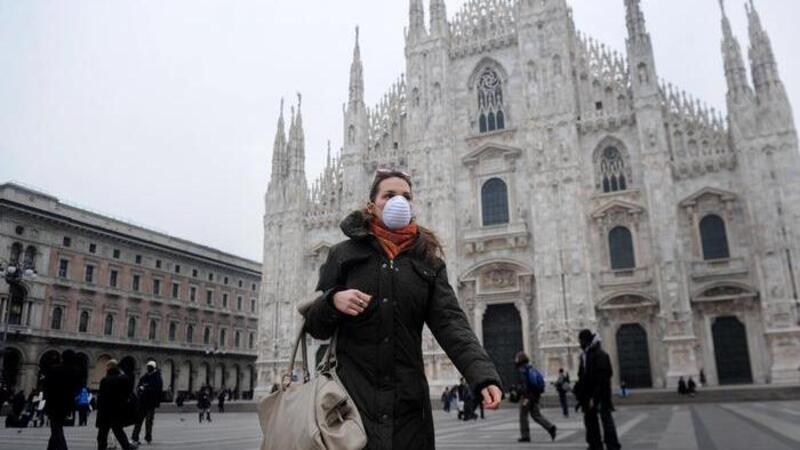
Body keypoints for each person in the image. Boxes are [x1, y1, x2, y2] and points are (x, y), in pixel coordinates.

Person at [301, 169, 504, 449]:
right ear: (371, 205)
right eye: (389, 195)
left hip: (409, 406)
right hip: (351, 404)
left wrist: (483, 376)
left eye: (406, 196)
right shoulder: (344, 254)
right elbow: (315, 325)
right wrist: (333, 300)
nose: (399, 201)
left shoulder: (427, 261)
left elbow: (451, 324)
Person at [573, 329, 621, 450]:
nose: (579, 343)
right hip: (588, 395)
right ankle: (595, 445)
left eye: (580, 340)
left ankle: (612, 445)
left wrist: (595, 396)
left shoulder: (600, 355)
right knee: (590, 421)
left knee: (606, 420)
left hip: (600, 395)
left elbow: (604, 376)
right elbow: (582, 376)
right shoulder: (585, 356)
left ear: (585, 340)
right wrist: (578, 391)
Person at [43, 349, 81, 450]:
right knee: (57, 426)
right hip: (67, 404)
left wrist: (45, 399)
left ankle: (63, 448)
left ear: (62, 357)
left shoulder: (54, 369)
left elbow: (46, 386)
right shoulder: (76, 371)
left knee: (56, 428)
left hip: (53, 403)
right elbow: (78, 388)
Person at [96, 359, 138, 450]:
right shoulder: (123, 379)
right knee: (118, 430)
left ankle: (101, 448)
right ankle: (126, 447)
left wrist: (98, 408)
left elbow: (101, 397)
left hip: (105, 411)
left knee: (102, 433)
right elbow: (127, 394)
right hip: (117, 411)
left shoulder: (105, 380)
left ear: (109, 368)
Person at [515, 352, 557, 442]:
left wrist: (519, 392)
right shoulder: (531, 368)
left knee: (523, 415)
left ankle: (525, 436)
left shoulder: (522, 369)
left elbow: (524, 385)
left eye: (517, 358)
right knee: (536, 415)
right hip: (535, 396)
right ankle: (550, 427)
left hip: (527, 397)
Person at [131, 360, 163, 445]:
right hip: (142, 402)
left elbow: (156, 389)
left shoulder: (157, 377)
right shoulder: (145, 376)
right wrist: (140, 389)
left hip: (150, 403)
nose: (148, 368)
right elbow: (139, 385)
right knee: (139, 420)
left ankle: (148, 437)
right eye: (148, 367)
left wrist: (145, 388)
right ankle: (135, 437)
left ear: (153, 368)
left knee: (149, 421)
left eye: (150, 367)